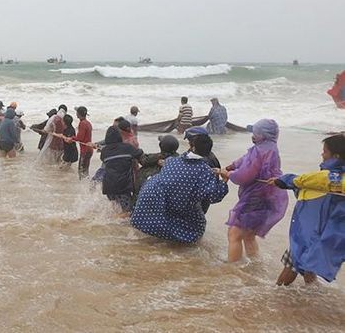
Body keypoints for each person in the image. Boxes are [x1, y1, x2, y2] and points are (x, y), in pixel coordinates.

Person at [270, 134, 345, 285]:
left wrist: (283, 181)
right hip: (326, 233)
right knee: (307, 262)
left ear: (335, 156)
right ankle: (312, 295)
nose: (322, 154)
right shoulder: (337, 179)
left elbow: (302, 180)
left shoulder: (331, 178)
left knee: (293, 262)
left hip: (313, 232)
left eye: (325, 151)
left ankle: (276, 294)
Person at [131, 134, 229, 243]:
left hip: (147, 207)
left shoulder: (172, 161)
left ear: (192, 147)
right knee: (198, 228)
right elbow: (214, 196)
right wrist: (224, 180)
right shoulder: (206, 171)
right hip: (176, 206)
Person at [217, 119, 288, 262]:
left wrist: (229, 174)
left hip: (256, 196)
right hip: (269, 196)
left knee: (234, 234)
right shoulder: (270, 147)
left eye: (256, 133)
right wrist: (232, 165)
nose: (253, 135)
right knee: (249, 235)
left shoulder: (260, 150)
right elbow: (246, 159)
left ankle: (233, 270)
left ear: (262, 135)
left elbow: (244, 176)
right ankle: (256, 266)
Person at [99, 126, 144, 216]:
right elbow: (139, 153)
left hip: (108, 186)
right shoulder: (127, 148)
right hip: (122, 186)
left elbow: (103, 159)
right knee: (127, 212)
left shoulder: (104, 151)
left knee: (115, 209)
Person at [66, 106, 93, 179]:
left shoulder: (82, 123)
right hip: (89, 149)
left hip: (85, 150)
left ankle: (83, 188)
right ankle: (86, 186)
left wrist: (71, 138)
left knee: (81, 171)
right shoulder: (88, 123)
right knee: (85, 170)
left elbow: (80, 138)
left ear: (78, 113)